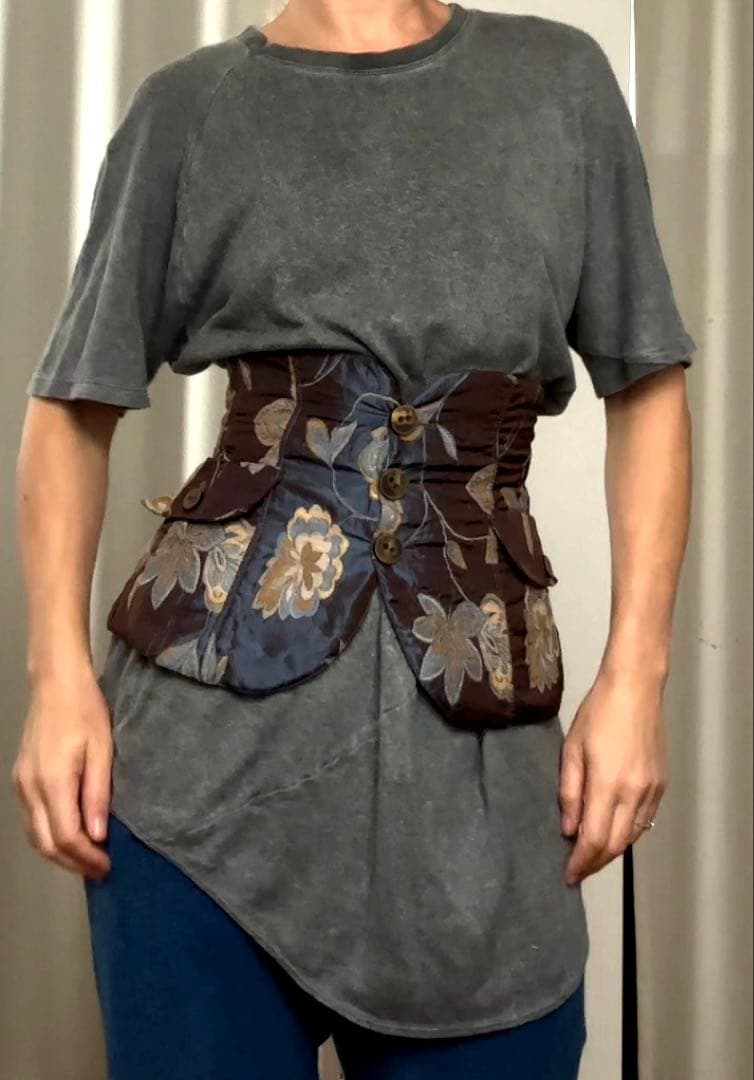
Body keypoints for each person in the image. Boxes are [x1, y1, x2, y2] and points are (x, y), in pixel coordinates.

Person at [12, 1, 695, 1077]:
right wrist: (57, 680)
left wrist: (637, 679)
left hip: (479, 792)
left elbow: (648, 387)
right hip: (197, 797)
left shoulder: (559, 83)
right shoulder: (189, 109)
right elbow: (69, 409)